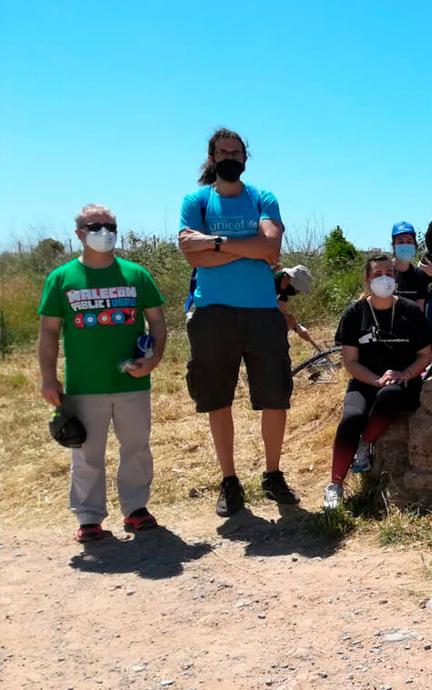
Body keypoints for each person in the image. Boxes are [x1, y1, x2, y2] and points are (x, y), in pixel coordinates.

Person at [178, 128, 298, 516]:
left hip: (263, 311)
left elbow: (271, 247)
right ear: (211, 157)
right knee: (218, 399)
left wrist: (213, 243)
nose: (230, 156)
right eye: (223, 151)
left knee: (275, 396)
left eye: (237, 151)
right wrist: (245, 250)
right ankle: (229, 480)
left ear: (246, 159)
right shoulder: (196, 200)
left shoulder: (263, 198)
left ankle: (273, 473)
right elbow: (191, 255)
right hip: (213, 312)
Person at [37, 204, 167, 541]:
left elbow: (156, 321)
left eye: (111, 226)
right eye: (96, 226)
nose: (105, 232)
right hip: (84, 385)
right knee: (86, 453)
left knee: (136, 448)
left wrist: (152, 360)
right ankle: (89, 517)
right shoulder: (62, 278)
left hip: (132, 382)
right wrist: (48, 378)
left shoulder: (137, 275)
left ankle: (135, 509)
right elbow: (49, 331)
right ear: (79, 233)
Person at [323, 255, 432, 509]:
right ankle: (335, 485)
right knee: (351, 418)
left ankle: (366, 442)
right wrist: (375, 380)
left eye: (389, 273)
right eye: (377, 274)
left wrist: (404, 374)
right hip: (365, 381)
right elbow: (350, 362)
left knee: (390, 395)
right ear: (367, 279)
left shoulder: (410, 310)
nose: (384, 278)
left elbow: (425, 355)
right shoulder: (355, 313)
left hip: (403, 383)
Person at [275, 264, 315, 346]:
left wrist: (298, 328)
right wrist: (296, 327)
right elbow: (281, 315)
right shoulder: (270, 282)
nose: (296, 292)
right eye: (297, 289)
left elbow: (284, 313)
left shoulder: (283, 290)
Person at [390, 221, 428, 308]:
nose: (405, 245)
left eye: (409, 241)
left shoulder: (419, 275)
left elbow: (419, 310)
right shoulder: (384, 272)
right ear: (393, 246)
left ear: (415, 245)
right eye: (400, 242)